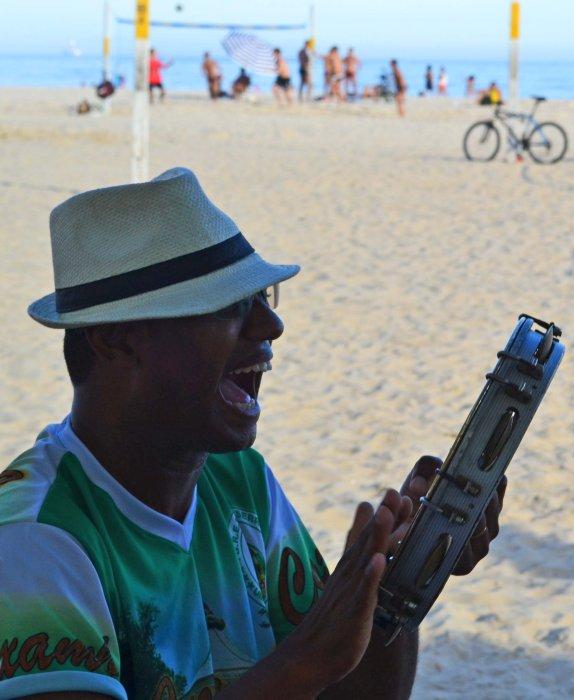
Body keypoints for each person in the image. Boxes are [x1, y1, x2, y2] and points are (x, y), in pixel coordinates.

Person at [0, 167, 505, 698]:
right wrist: (301, 662)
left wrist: (395, 589)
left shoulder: (238, 480)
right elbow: (307, 668)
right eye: (232, 305)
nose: (270, 326)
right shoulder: (36, 539)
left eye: (265, 297)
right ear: (116, 340)